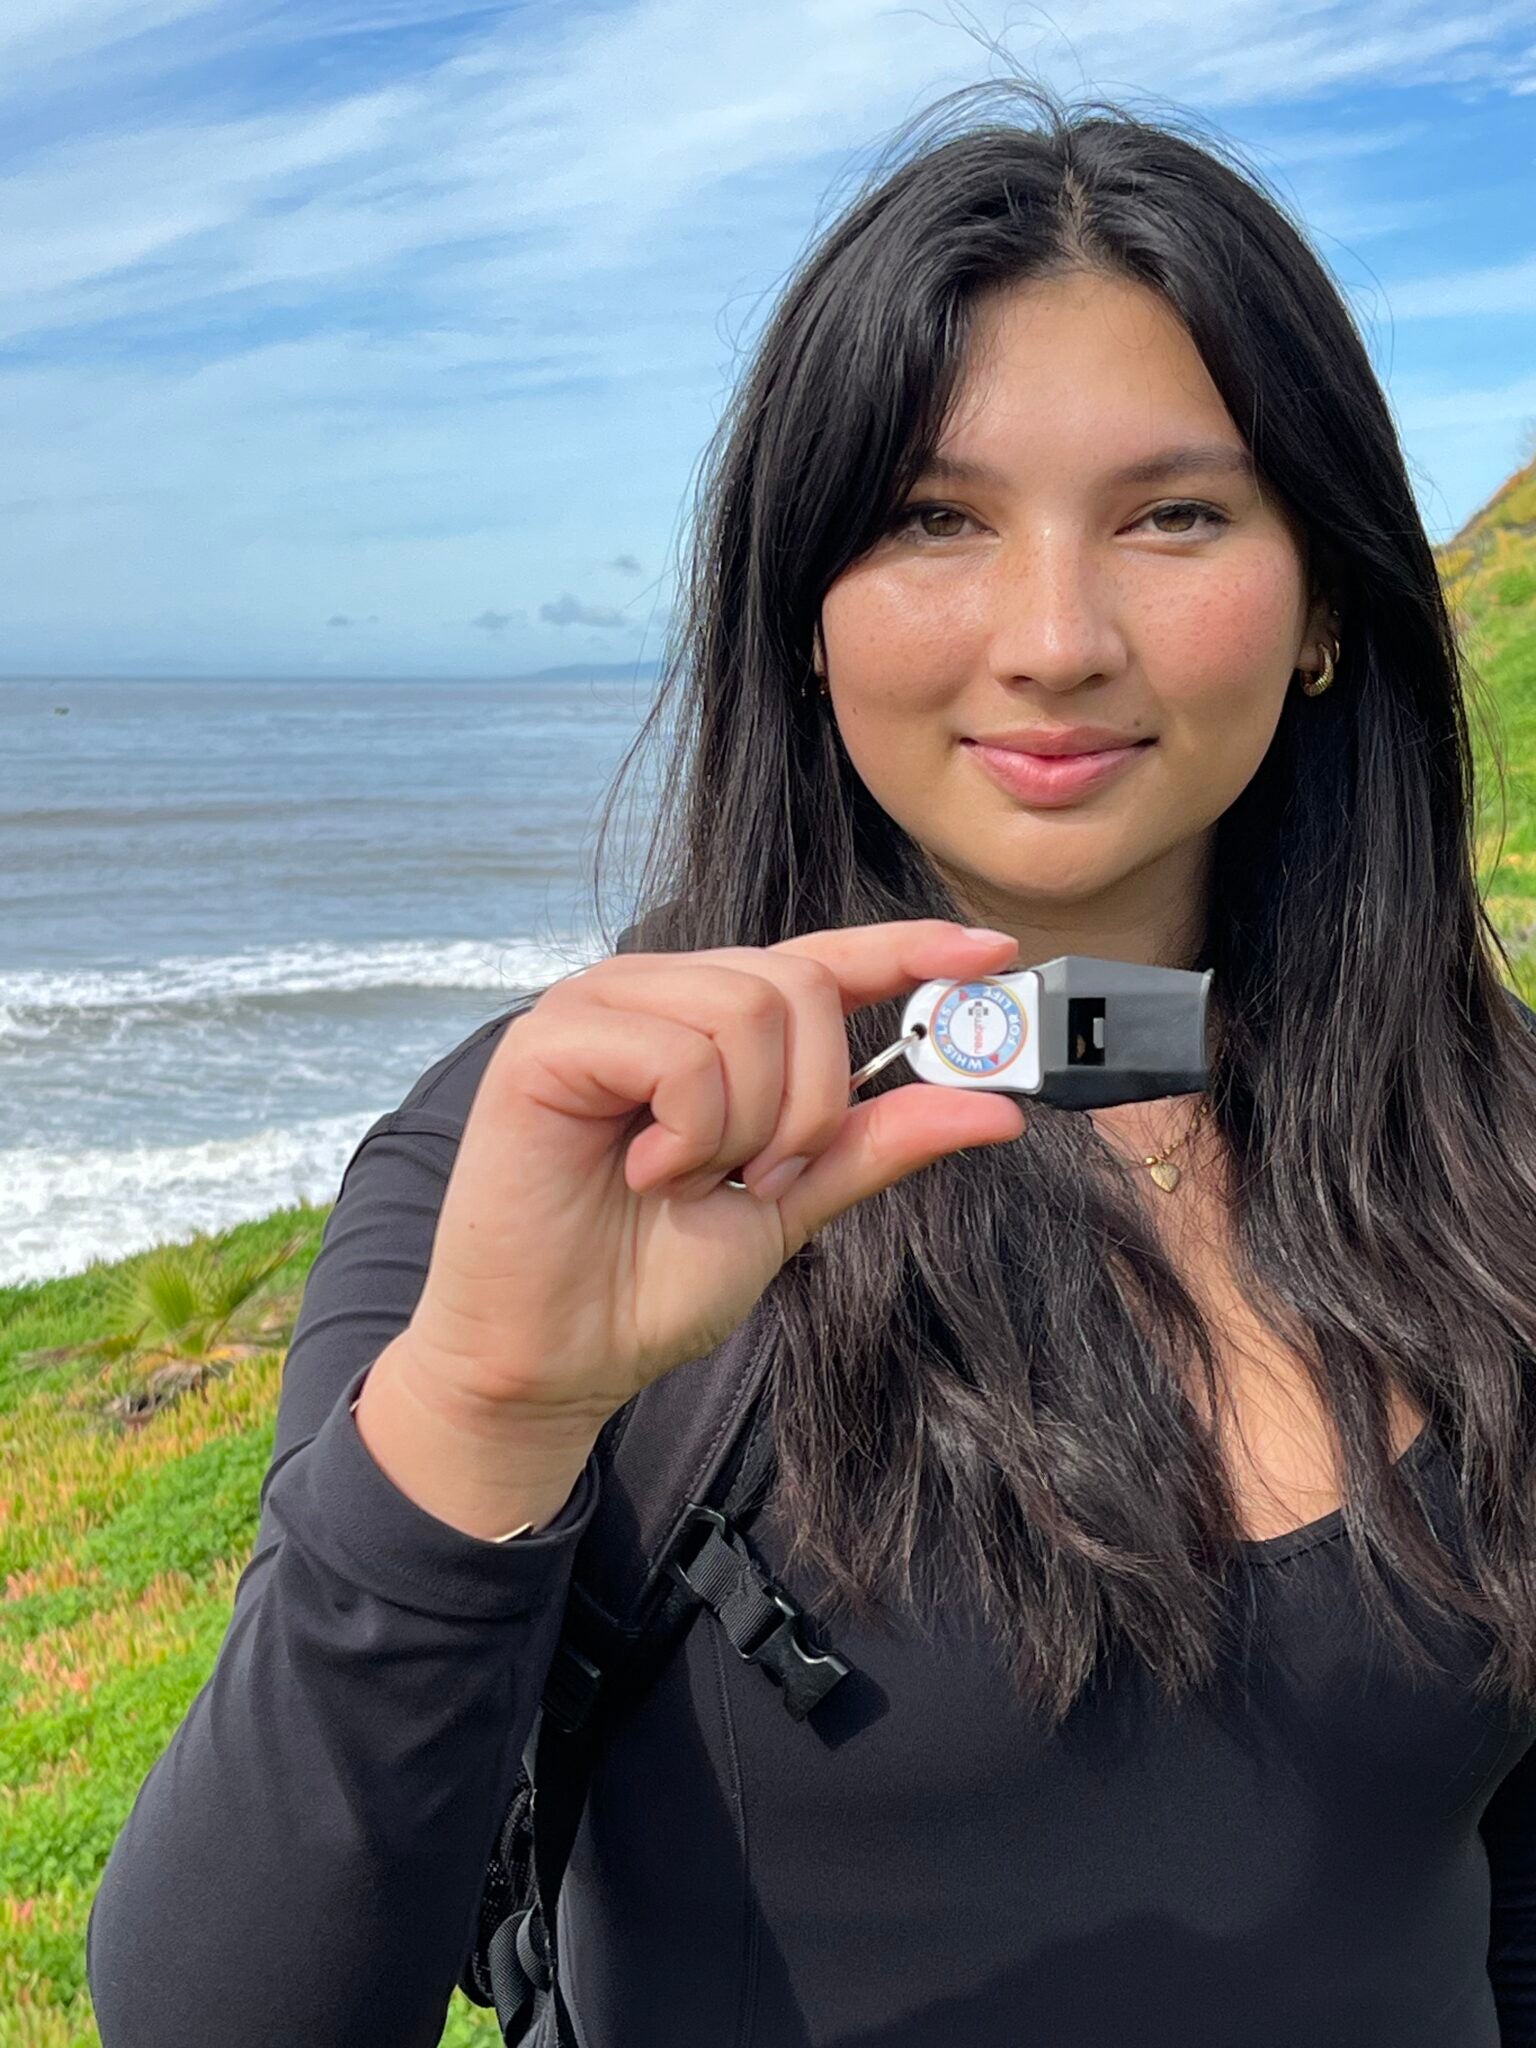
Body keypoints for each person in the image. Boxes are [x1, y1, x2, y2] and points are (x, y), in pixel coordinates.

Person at [86, 76, 1536, 2048]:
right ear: (802, 614)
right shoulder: (567, 1153)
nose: (1054, 637)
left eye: (1175, 515)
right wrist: (490, 1401)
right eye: (934, 518)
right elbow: (219, 2013)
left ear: (1324, 608)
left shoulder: (1481, 1136)